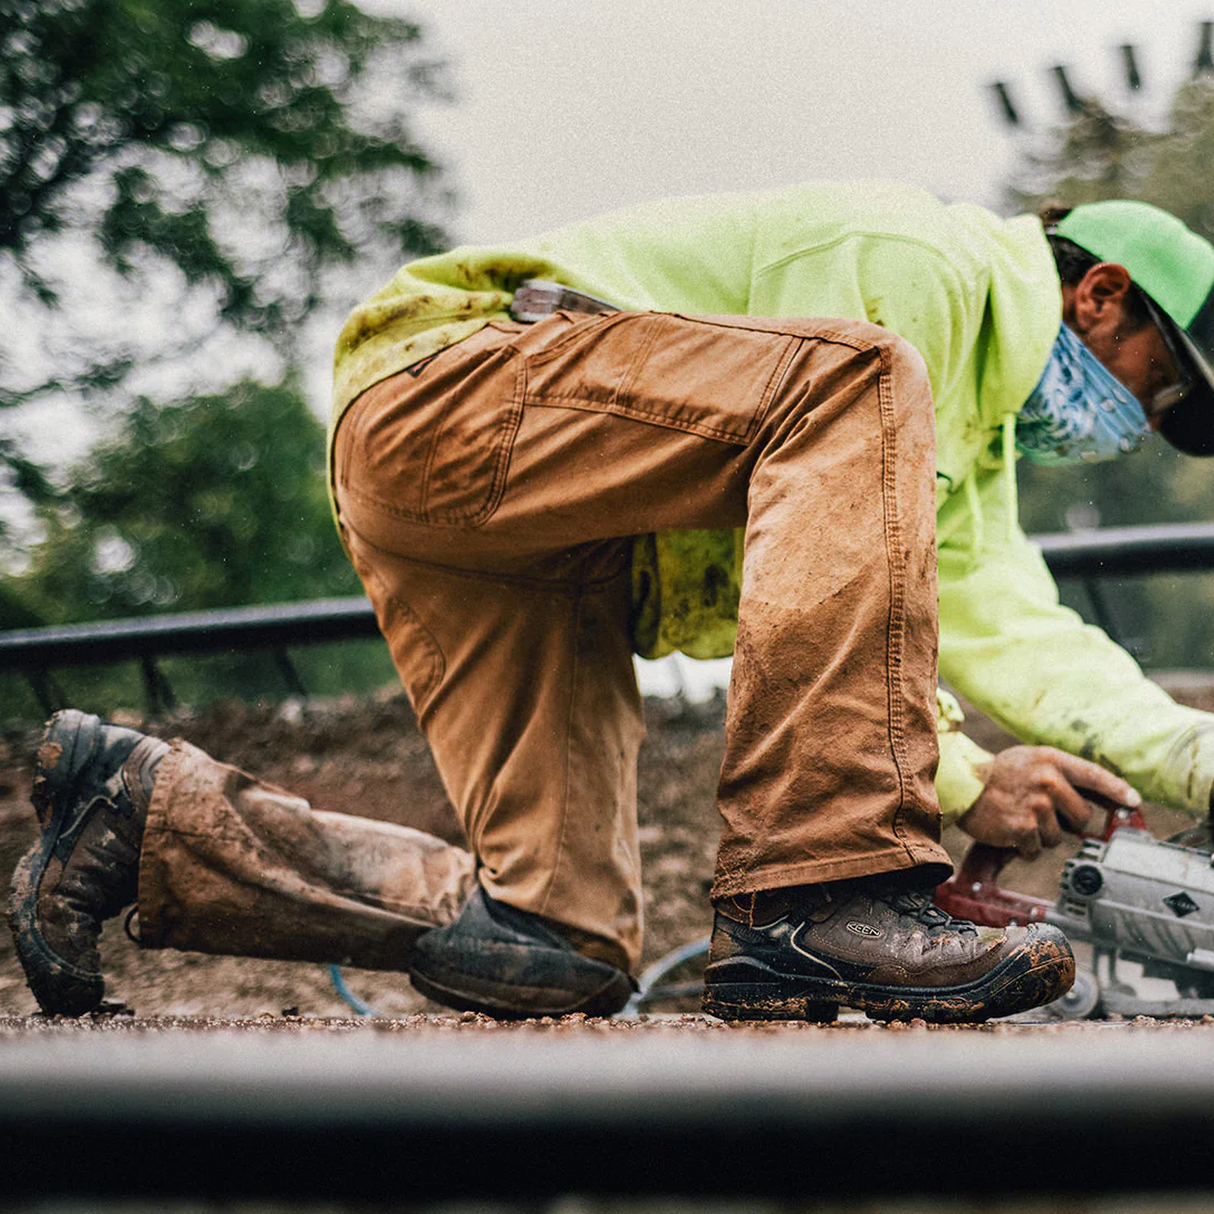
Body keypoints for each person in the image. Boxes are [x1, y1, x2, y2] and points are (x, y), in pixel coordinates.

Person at [12, 183, 1214, 1026]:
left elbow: (1016, 628)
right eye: (1152, 393)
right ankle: (816, 889)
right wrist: (946, 778)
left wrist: (1196, 762)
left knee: (558, 943)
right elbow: (794, 534)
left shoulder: (960, 442)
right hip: (457, 393)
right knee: (859, 377)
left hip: (545, 544)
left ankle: (143, 815)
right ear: (1097, 296)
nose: (1130, 432)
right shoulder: (922, 266)